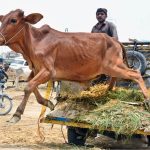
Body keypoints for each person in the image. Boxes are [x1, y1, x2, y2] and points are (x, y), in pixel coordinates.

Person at [91, 8, 118, 85]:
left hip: (108, 52)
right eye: (98, 14)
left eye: (102, 14)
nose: (99, 15)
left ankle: (109, 85)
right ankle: (96, 86)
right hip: (96, 54)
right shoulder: (94, 28)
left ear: (106, 16)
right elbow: (90, 42)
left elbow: (115, 39)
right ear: (96, 16)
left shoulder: (110, 25)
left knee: (109, 72)